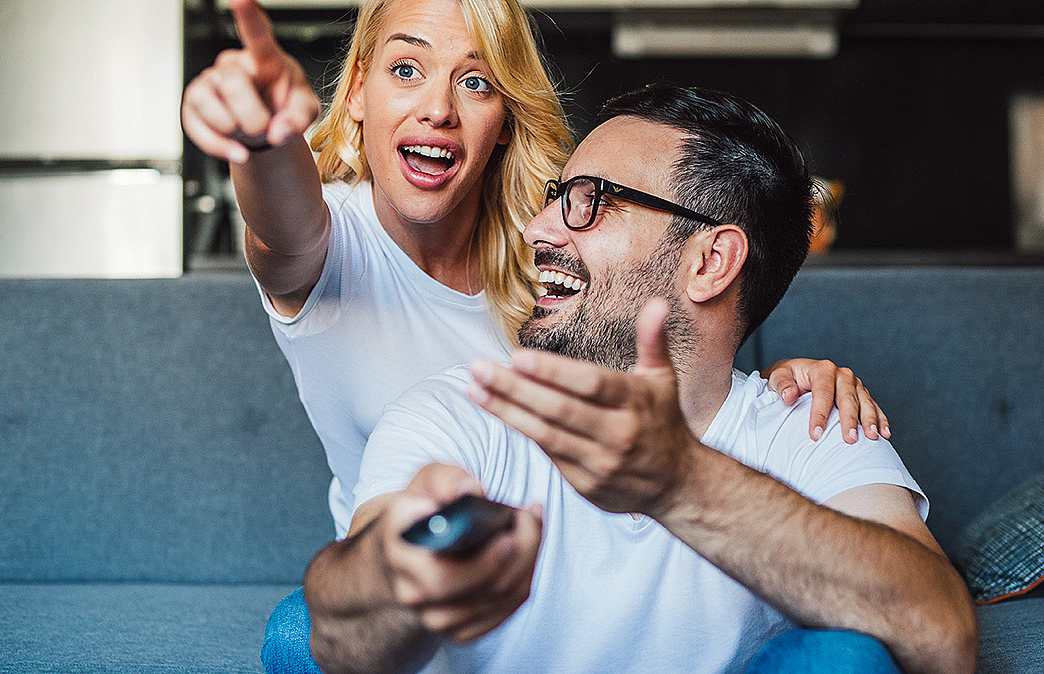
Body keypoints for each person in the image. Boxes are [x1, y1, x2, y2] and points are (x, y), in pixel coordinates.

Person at [302, 84, 979, 673]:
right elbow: (339, 640)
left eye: (590, 200)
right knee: (293, 634)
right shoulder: (460, 413)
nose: (538, 230)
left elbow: (944, 638)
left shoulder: (808, 418)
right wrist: (399, 573)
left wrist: (683, 481)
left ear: (711, 261)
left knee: (843, 661)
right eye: (555, 197)